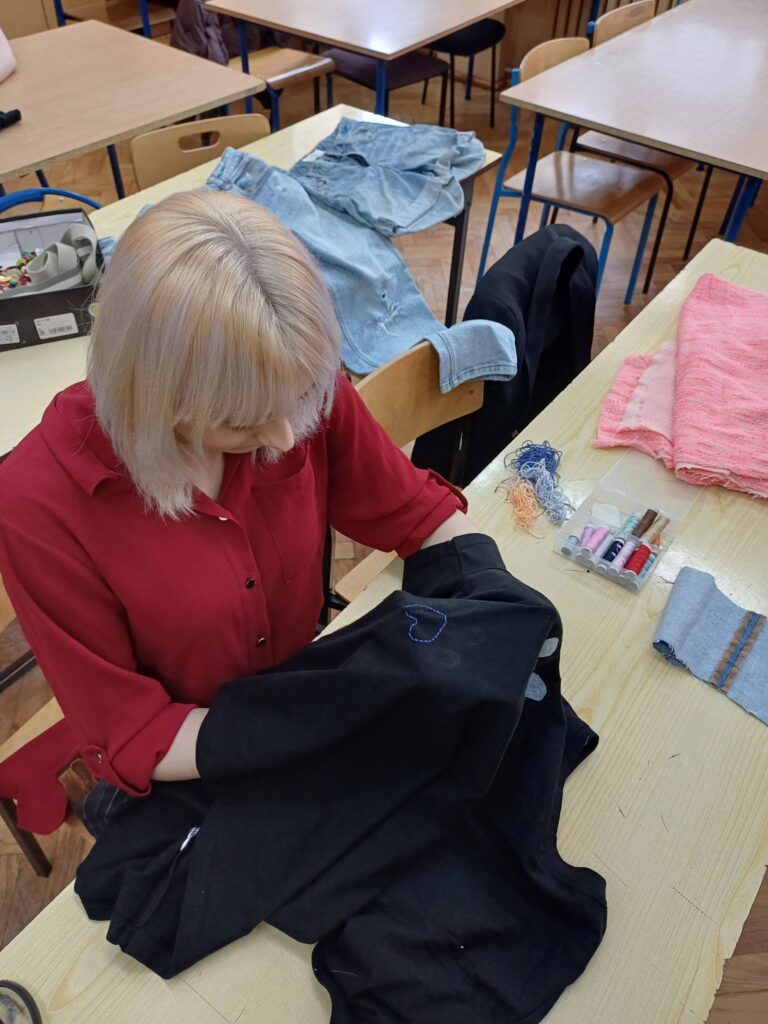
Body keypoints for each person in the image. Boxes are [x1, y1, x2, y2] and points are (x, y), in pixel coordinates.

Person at [0, 189, 479, 835]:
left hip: (300, 702)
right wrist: (299, 731)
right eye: (241, 421)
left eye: (302, 397)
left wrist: (492, 591)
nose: (285, 435)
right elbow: (131, 728)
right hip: (192, 762)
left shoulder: (282, 383)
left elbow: (414, 510)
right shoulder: (38, 506)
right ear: (155, 396)